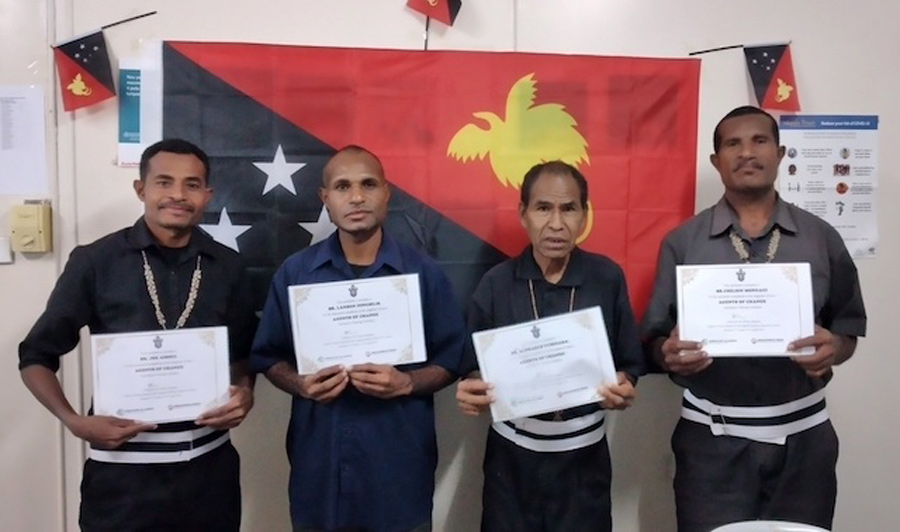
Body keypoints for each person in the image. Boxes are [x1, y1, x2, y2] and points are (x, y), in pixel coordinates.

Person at [642, 106, 866, 532]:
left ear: (780, 153)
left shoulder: (821, 237)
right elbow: (653, 340)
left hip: (804, 442)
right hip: (711, 444)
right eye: (733, 143)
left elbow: (848, 327)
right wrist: (668, 353)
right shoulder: (683, 243)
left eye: (759, 141)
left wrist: (834, 348)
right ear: (716, 161)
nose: (747, 152)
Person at [18, 138, 257, 531]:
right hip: (122, 481)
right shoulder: (95, 261)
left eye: (192, 184)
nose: (178, 195)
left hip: (210, 474)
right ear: (141, 189)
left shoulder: (228, 266)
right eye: (164, 182)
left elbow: (243, 355)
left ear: (208, 194)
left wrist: (244, 392)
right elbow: (35, 356)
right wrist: (74, 420)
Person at [250, 145, 466, 532]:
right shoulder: (296, 274)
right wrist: (299, 384)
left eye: (368, 184)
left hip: (398, 462)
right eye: (342, 186)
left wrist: (409, 382)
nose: (356, 197)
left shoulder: (423, 274)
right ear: (325, 199)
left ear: (386, 192)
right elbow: (268, 357)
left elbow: (452, 358)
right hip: (320, 459)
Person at [456, 161, 645, 532]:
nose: (556, 223)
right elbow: (471, 367)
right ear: (523, 214)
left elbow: (630, 363)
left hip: (584, 459)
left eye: (569, 208)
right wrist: (472, 389)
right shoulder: (496, 283)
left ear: (584, 215)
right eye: (543, 208)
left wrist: (623, 384)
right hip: (510, 461)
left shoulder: (606, 278)